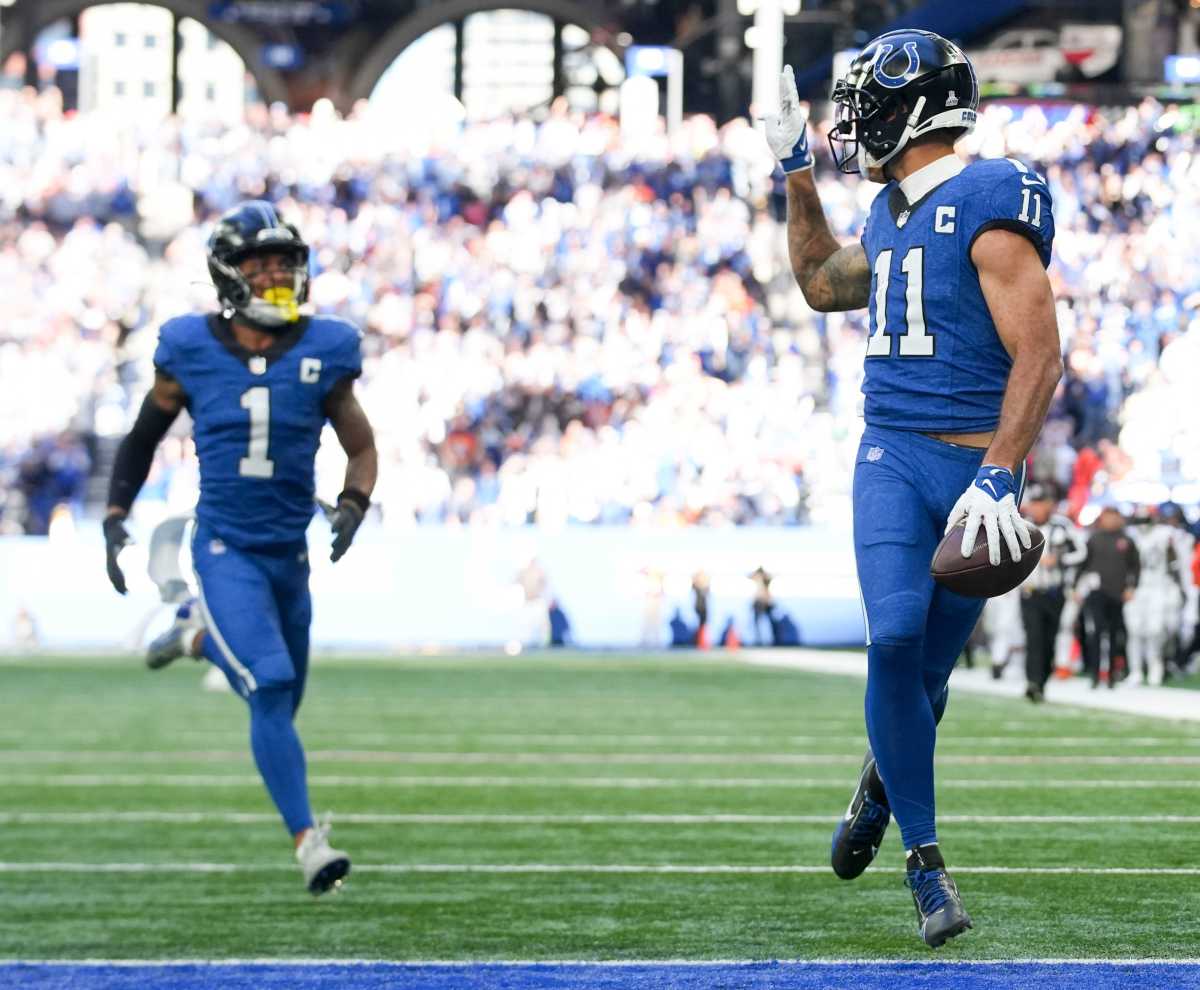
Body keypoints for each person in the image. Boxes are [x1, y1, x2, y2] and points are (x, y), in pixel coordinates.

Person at [763, 31, 1061, 947]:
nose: (855, 120)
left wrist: (1002, 472)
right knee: (893, 635)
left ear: (919, 106)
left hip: (974, 466)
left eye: (868, 102)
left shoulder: (988, 198)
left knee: (927, 678)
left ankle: (881, 781)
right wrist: (793, 170)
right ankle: (926, 864)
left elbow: (1040, 354)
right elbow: (818, 281)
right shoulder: (889, 214)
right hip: (891, 453)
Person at [102, 201, 377, 896]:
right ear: (230, 276)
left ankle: (195, 636)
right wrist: (115, 511)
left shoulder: (325, 348)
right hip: (225, 547)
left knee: (279, 703)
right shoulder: (190, 347)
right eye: (264, 265)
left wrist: (353, 502)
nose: (280, 276)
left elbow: (361, 443)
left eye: (286, 263)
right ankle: (309, 842)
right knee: (271, 681)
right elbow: (142, 436)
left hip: (290, 553)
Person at [1019, 484, 1087, 701]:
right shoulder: (1021, 525)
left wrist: (1059, 560)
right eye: (1036, 503)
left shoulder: (1063, 526)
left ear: (1050, 504)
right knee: (1034, 637)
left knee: (1049, 638)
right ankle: (1033, 682)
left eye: (1042, 503)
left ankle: (1042, 680)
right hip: (1030, 590)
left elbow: (1081, 552)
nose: (1039, 508)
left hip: (1054, 591)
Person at [1076, 505, 1140, 688]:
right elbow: (1083, 564)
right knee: (1095, 632)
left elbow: (1135, 566)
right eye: (1107, 516)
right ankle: (1095, 674)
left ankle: (1112, 674)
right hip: (1096, 592)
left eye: (1114, 517)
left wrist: (1131, 587)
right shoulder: (1093, 539)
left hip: (1117, 592)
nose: (1110, 520)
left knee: (1114, 633)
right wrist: (1076, 588)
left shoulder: (1126, 540)